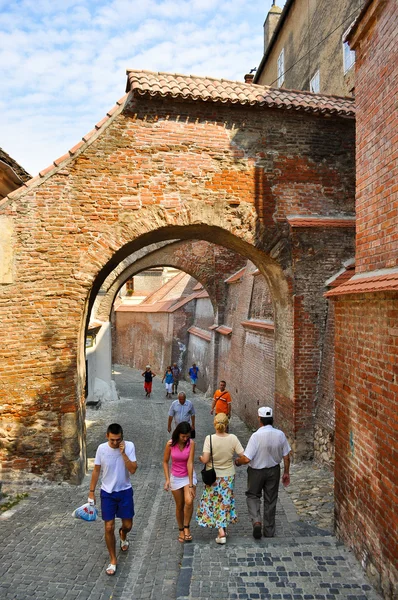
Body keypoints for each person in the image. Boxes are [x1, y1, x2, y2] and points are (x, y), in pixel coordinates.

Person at [88, 423, 137, 576]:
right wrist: (91, 492)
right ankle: (113, 559)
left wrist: (123, 454)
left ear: (122, 437)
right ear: (107, 437)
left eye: (118, 440)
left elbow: (133, 470)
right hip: (107, 493)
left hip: (124, 491)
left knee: (128, 525)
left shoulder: (129, 446)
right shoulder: (102, 449)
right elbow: (96, 470)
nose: (115, 443)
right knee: (109, 527)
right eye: (112, 440)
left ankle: (123, 534)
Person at [235, 406, 291, 539]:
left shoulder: (256, 436)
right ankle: (269, 531)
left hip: (256, 472)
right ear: (271, 419)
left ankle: (256, 521)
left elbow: (247, 458)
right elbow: (287, 456)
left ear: (259, 419)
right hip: (274, 471)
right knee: (271, 500)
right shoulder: (280, 434)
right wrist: (286, 472)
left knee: (253, 496)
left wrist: (238, 461)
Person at [196, 412, 244, 544]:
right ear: (227, 425)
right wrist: (236, 461)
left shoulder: (209, 439)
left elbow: (205, 459)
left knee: (215, 502)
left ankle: (221, 532)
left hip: (213, 476)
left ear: (214, 424)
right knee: (225, 501)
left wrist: (200, 458)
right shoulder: (233, 438)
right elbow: (243, 455)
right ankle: (222, 528)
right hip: (228, 475)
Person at [163, 421, 197, 543]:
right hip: (176, 477)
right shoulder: (170, 444)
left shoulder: (191, 444)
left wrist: (191, 484)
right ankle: (181, 529)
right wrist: (167, 479)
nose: (185, 439)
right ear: (178, 434)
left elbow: (190, 463)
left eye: (187, 436)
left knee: (189, 501)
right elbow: (165, 462)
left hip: (188, 475)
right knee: (179, 505)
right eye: (183, 436)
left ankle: (187, 527)